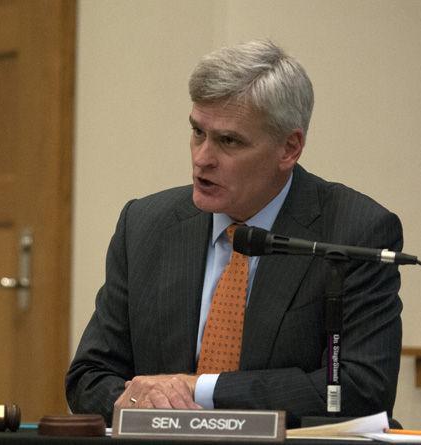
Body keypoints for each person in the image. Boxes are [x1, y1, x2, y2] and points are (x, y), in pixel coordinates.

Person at [65, 40, 402, 428]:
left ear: (289, 148)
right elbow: (89, 375)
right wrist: (138, 397)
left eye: (229, 141)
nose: (201, 158)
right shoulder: (145, 225)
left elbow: (360, 387)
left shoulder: (354, 230)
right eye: (197, 132)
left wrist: (202, 389)